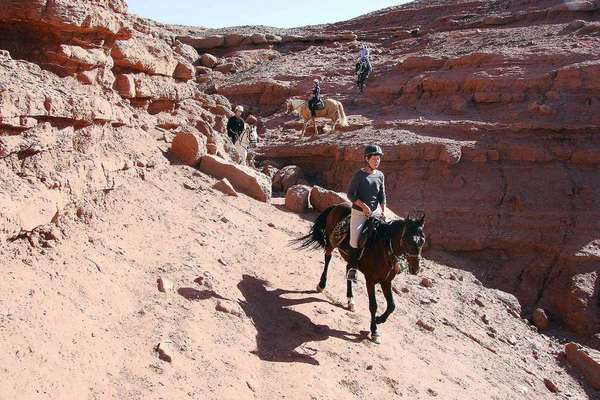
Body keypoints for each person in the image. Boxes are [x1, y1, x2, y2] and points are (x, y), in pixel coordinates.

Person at [345, 144, 386, 282]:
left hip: (375, 213)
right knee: (354, 240)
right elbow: (350, 195)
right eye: (374, 158)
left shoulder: (380, 175)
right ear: (367, 159)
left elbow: (382, 195)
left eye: (379, 158)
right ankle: (352, 268)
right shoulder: (359, 175)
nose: (377, 161)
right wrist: (363, 207)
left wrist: (383, 211)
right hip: (359, 213)